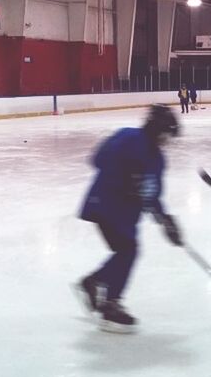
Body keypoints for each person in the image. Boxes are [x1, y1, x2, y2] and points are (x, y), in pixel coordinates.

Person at [75, 104, 182, 334]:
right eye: (165, 135)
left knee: (126, 251)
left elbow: (151, 194)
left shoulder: (158, 159)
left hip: (124, 214)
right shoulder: (128, 137)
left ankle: (94, 284)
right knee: (127, 251)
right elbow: (98, 159)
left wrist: (166, 221)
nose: (166, 141)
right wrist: (124, 178)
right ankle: (108, 302)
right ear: (155, 128)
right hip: (104, 205)